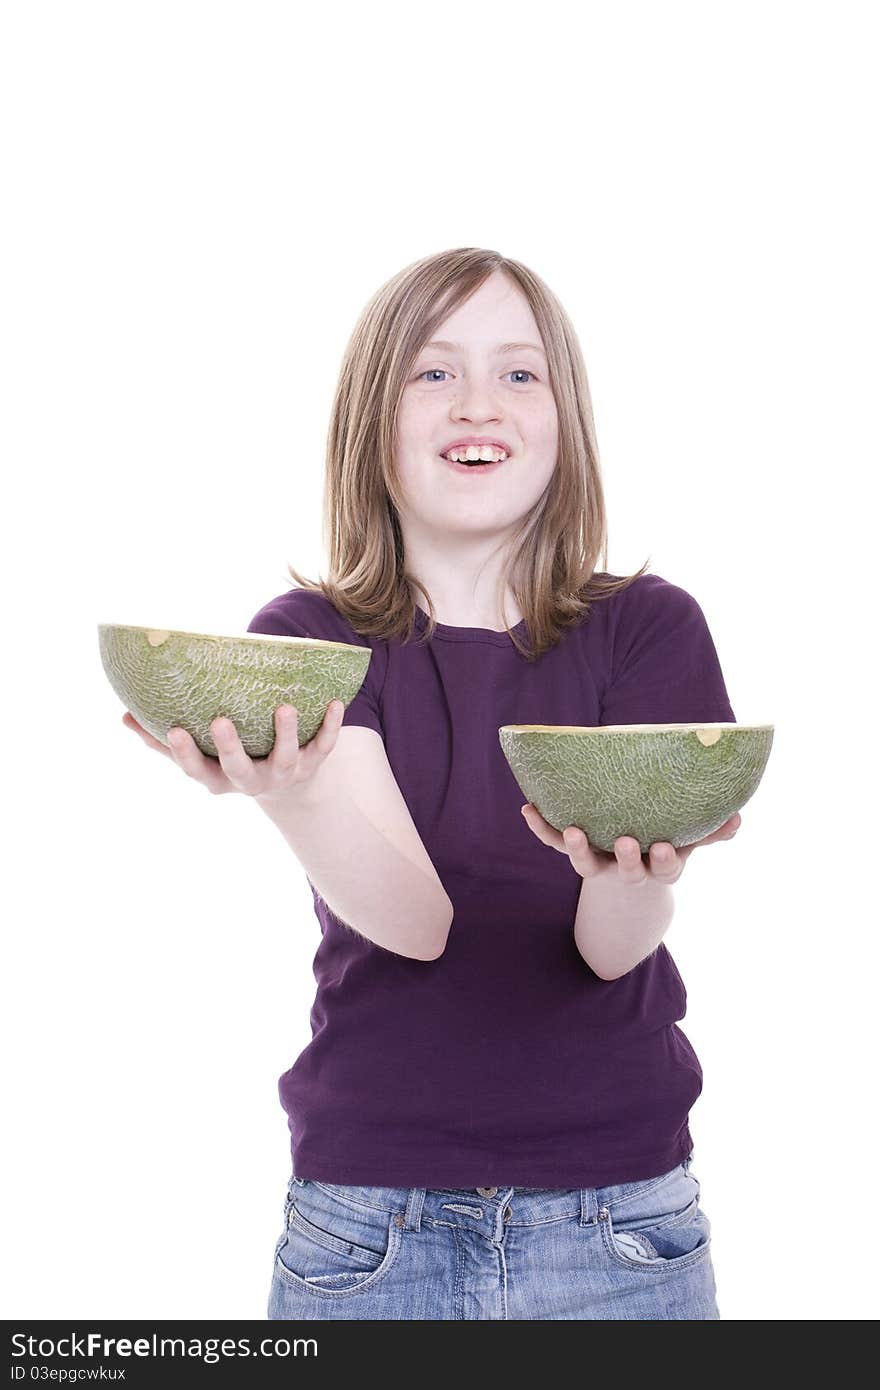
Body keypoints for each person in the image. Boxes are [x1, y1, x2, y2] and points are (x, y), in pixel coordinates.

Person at [125, 248, 741, 1319]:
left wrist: (637, 865)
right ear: (376, 414)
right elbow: (412, 922)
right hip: (365, 1226)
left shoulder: (648, 626)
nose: (476, 403)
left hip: (618, 1214)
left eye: (518, 373)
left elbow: (609, 947)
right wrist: (292, 788)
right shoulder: (307, 644)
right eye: (431, 371)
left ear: (564, 418)